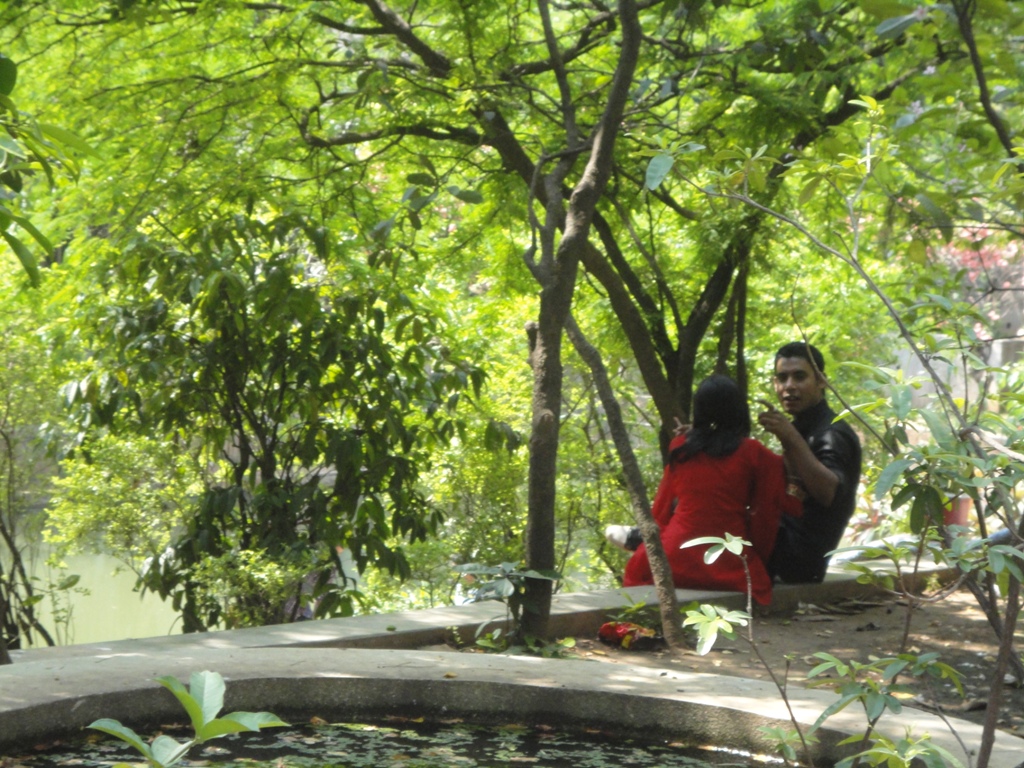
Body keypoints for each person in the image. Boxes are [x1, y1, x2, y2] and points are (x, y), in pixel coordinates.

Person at [617, 374, 800, 605]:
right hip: (727, 559)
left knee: (639, 569)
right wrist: (757, 558)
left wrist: (653, 551)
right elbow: (766, 515)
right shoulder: (755, 453)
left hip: (675, 554)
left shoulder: (680, 447)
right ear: (739, 409)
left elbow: (661, 511)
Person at [757, 342, 862, 583]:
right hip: (783, 545)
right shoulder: (802, 426)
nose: (789, 386)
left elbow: (828, 493)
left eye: (799, 377)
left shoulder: (832, 433)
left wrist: (791, 438)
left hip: (799, 561)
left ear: (821, 381)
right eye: (782, 378)